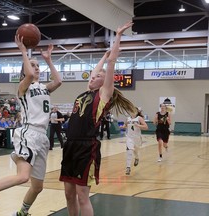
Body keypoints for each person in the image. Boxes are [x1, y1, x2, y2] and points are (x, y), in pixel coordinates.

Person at [0, 34, 62, 216]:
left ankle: (21, 213)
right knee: (23, 176)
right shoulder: (23, 87)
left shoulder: (44, 88)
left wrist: (49, 60)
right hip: (28, 133)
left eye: (38, 66)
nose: (36, 68)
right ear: (25, 70)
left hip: (42, 137)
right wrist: (23, 51)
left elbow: (58, 81)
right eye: (33, 65)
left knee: (37, 186)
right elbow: (28, 73)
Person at [59, 21, 136, 216]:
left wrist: (117, 37)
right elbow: (97, 70)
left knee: (82, 196)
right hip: (71, 145)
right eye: (92, 76)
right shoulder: (86, 92)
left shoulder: (103, 95)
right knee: (69, 195)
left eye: (98, 76)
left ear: (105, 82)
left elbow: (111, 64)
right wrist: (102, 57)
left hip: (87, 147)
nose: (93, 77)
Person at [120, 108, 148, 175]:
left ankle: (137, 158)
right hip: (129, 137)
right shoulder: (128, 119)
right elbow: (125, 125)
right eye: (131, 110)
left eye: (133, 111)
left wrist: (138, 125)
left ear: (137, 112)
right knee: (129, 151)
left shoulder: (139, 118)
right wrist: (123, 127)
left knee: (135, 151)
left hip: (137, 138)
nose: (132, 112)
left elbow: (146, 127)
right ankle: (128, 167)